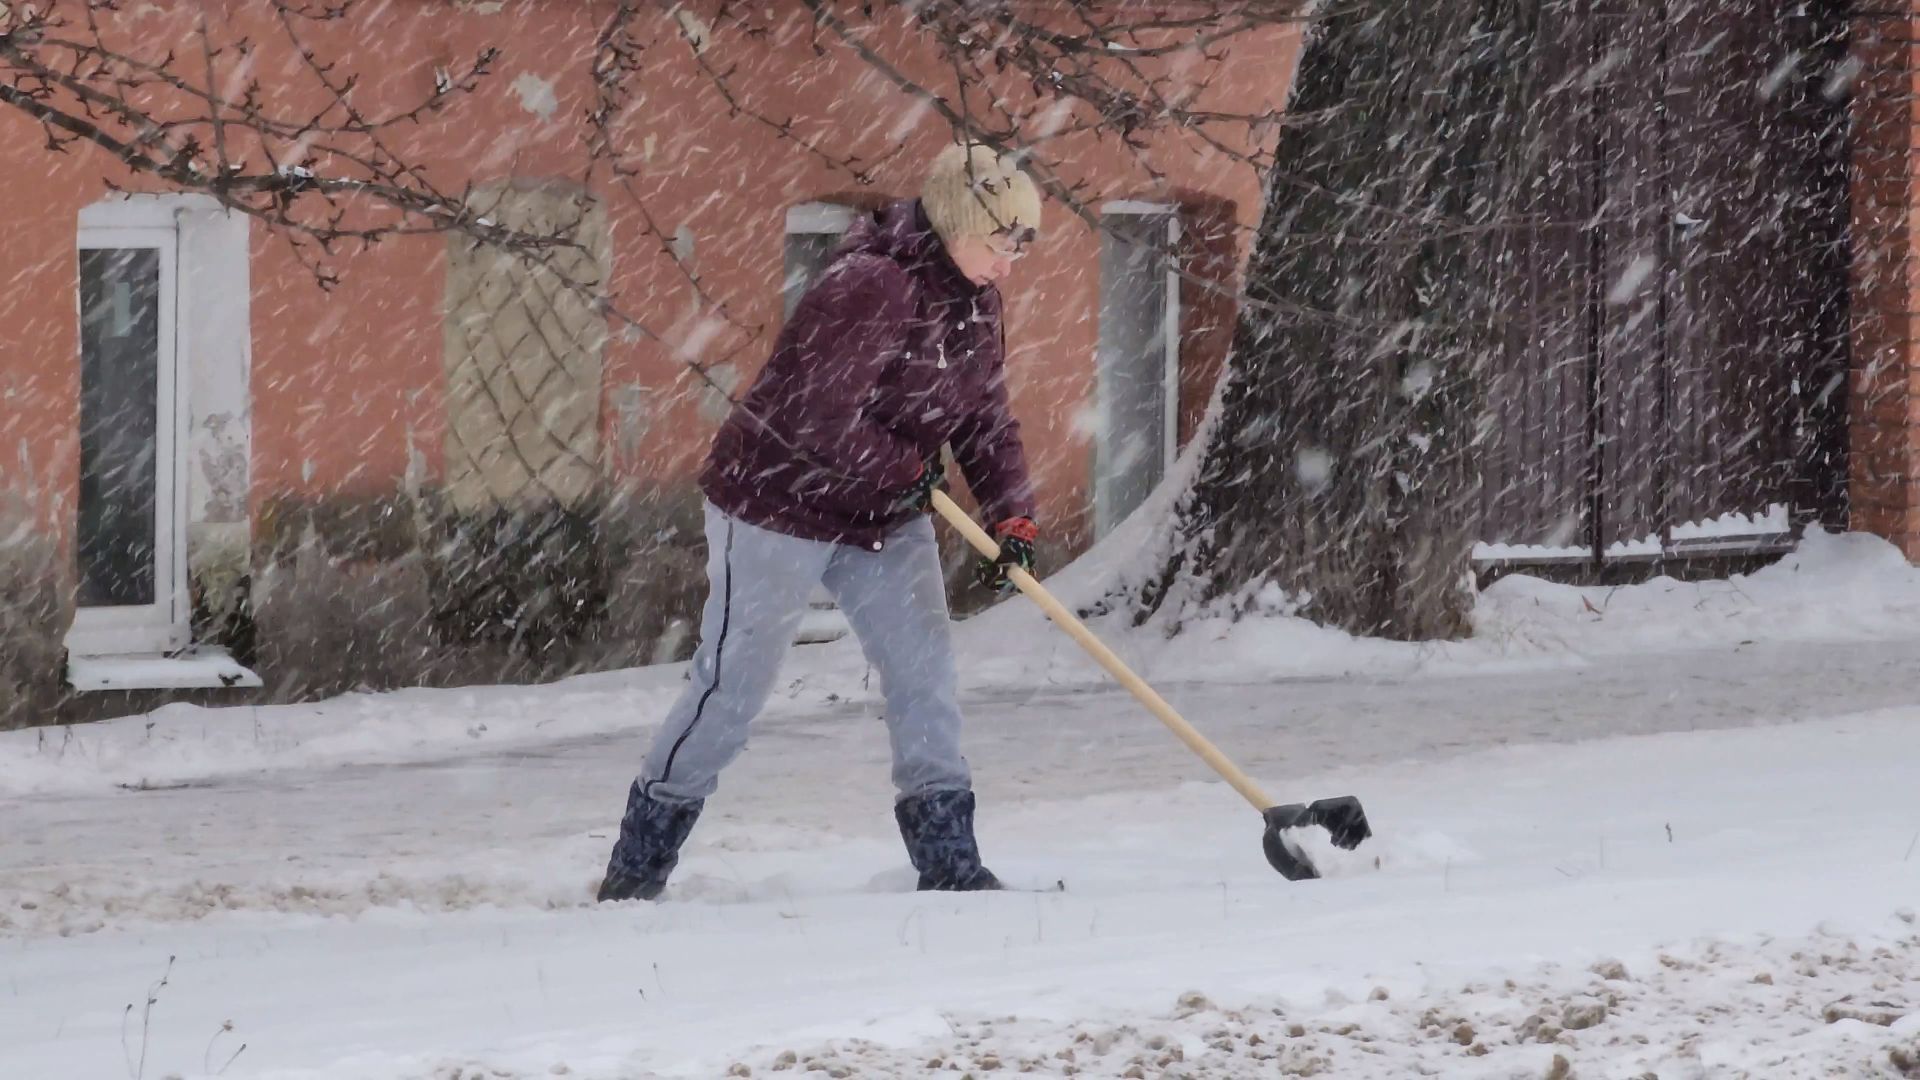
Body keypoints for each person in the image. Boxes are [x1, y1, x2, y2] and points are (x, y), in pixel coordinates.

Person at [597, 143, 1044, 901]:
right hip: (777, 501)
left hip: (882, 513)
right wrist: (909, 469)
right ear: (955, 225)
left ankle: (950, 863)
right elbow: (815, 418)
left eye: (1016, 249)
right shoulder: (871, 285)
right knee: (732, 688)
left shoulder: (974, 299)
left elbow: (983, 416)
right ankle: (638, 866)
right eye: (1000, 244)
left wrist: (1013, 514)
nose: (1008, 265)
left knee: (924, 673)